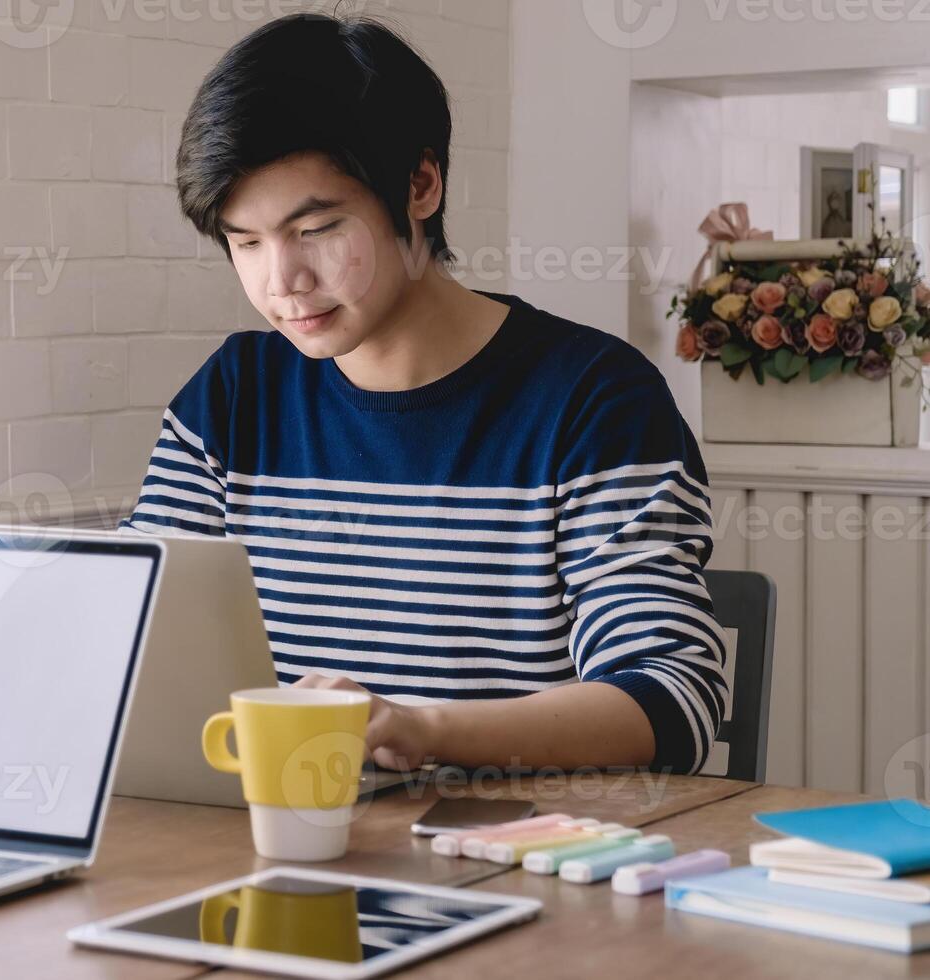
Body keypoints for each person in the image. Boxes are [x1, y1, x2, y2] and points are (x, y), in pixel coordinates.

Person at [123, 14, 729, 775]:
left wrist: (422, 731)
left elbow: (670, 697)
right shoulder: (233, 397)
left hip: (519, 860)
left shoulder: (594, 401)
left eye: (316, 229)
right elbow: (130, 635)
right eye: (246, 243)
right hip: (287, 844)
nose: (282, 283)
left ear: (420, 184)